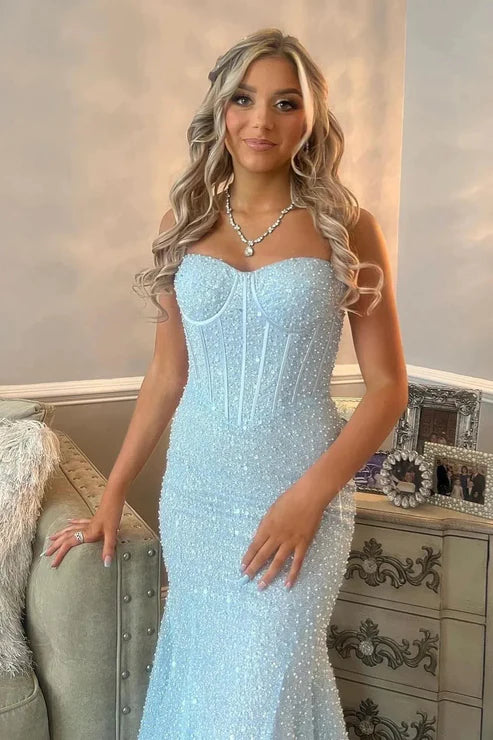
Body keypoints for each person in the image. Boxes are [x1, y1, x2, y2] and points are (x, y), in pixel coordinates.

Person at [43, 28, 408, 739]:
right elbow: (166, 373)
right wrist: (112, 494)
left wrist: (307, 497)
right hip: (198, 495)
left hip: (301, 493)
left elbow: (388, 387)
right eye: (244, 99)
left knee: (267, 694)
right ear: (221, 109)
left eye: (285, 102)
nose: (261, 120)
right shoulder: (183, 223)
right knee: (205, 688)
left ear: (311, 119)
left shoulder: (346, 227)